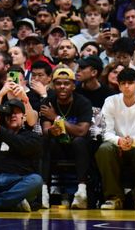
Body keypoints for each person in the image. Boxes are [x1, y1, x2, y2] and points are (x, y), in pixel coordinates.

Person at [96, 68, 135, 210]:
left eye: (130, 83)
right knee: (104, 149)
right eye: (123, 83)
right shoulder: (110, 101)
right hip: (117, 145)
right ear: (119, 85)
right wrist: (119, 141)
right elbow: (105, 132)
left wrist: (134, 141)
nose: (127, 86)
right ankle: (114, 197)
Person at [38, 66, 93, 209]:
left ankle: (81, 193)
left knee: (80, 141)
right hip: (57, 147)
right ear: (53, 85)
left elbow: (81, 131)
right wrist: (52, 131)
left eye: (67, 83)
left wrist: (56, 118)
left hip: (77, 149)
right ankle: (43, 192)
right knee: (45, 140)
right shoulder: (47, 102)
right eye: (58, 83)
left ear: (73, 86)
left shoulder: (83, 102)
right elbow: (45, 130)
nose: (62, 87)